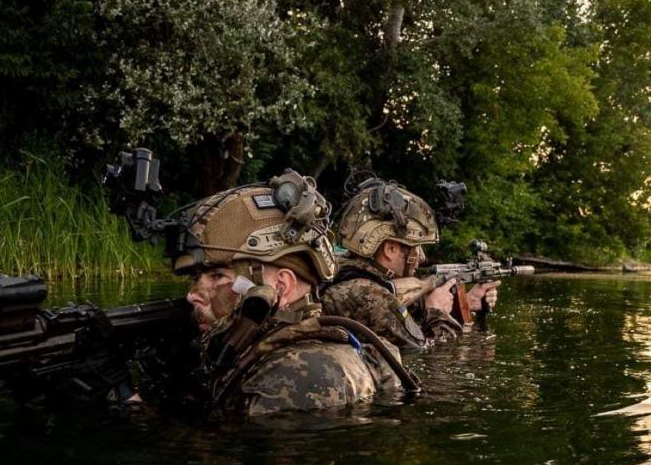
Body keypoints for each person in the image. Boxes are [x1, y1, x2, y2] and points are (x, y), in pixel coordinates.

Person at [167, 170, 407, 416]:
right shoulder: (259, 350)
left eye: (217, 276)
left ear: (281, 287)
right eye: (195, 278)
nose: (192, 295)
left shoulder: (298, 371)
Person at [321, 178, 499, 352]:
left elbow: (404, 317)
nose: (422, 257)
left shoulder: (346, 271)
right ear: (390, 249)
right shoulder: (371, 297)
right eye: (417, 247)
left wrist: (466, 303)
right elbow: (431, 353)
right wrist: (438, 312)